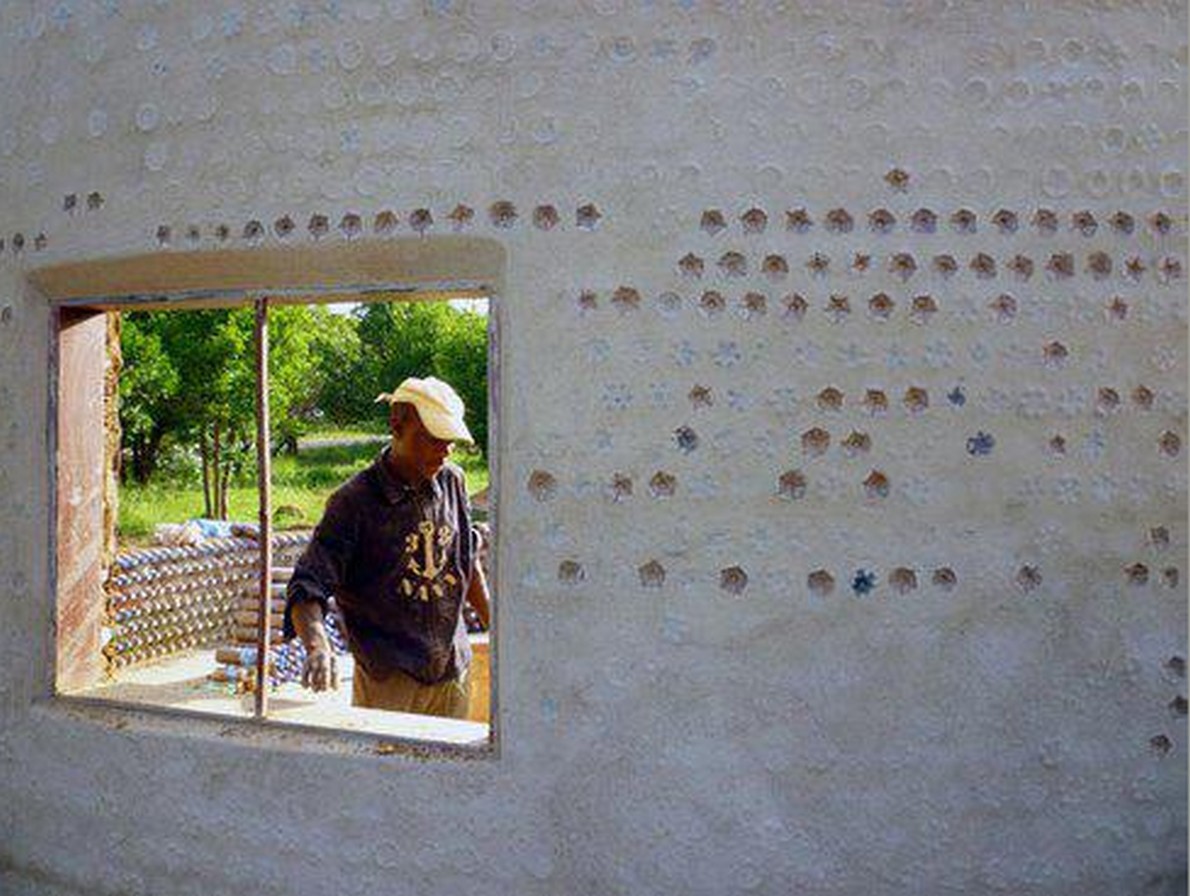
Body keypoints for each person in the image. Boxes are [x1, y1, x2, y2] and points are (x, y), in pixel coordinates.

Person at [283, 375, 491, 718]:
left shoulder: (452, 480)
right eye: (432, 439)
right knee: (390, 769)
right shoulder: (354, 502)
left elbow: (466, 560)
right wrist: (318, 647)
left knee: (453, 770)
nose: (445, 451)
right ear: (397, 426)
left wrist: (497, 628)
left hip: (453, 668)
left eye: (450, 441)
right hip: (390, 680)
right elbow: (308, 585)